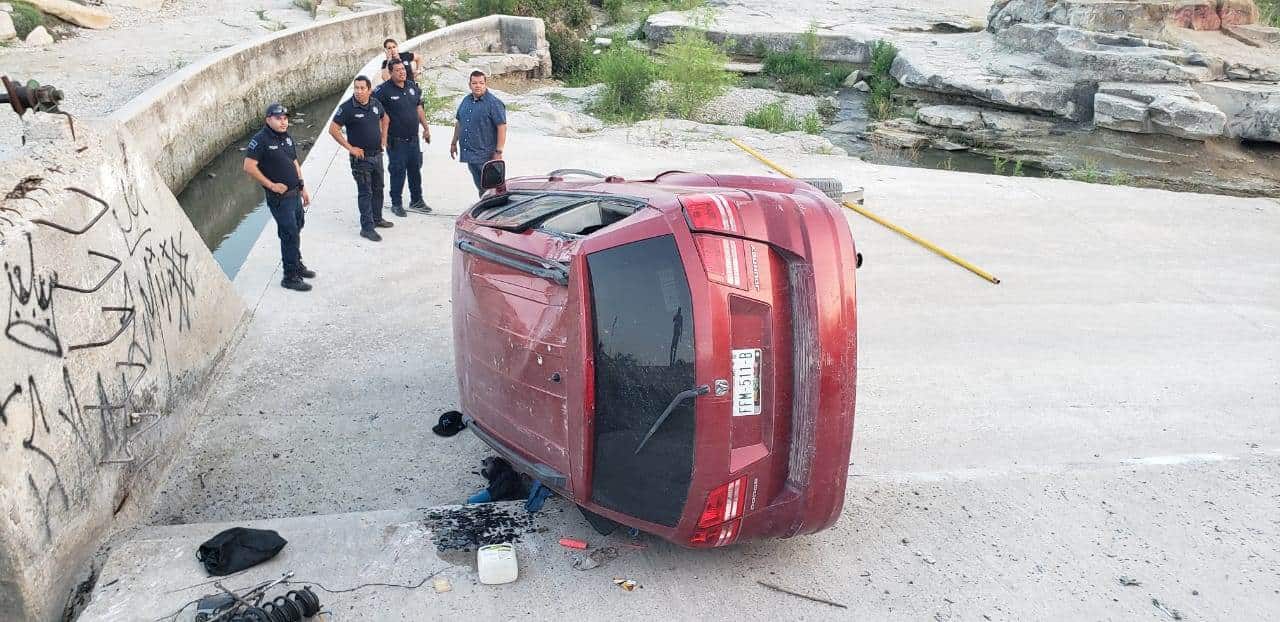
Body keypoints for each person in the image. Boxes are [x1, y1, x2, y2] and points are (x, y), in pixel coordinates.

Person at [243, 103, 314, 292]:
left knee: (297, 227)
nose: (283, 122)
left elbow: (294, 163)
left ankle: (297, 264)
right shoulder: (260, 140)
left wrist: (302, 187)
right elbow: (249, 166)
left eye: (285, 118)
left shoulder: (287, 138)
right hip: (279, 199)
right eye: (278, 118)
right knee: (289, 233)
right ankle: (290, 277)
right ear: (268, 120)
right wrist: (272, 185)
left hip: (294, 195)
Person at [329, 75, 392, 241]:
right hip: (361, 159)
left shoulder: (375, 103)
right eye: (356, 88)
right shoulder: (347, 108)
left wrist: (384, 138)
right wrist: (350, 148)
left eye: (362, 88)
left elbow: (385, 118)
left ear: (369, 89)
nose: (358, 91)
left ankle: (377, 218)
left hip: (377, 155)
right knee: (365, 192)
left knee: (379, 188)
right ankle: (367, 227)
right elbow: (333, 129)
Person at [374, 60, 432, 216]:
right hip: (396, 141)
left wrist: (426, 128)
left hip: (413, 139)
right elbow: (374, 112)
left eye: (403, 69)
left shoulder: (412, 86)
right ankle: (396, 203)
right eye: (398, 70)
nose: (402, 72)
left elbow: (418, 107)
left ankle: (417, 200)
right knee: (398, 172)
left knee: (415, 170)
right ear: (391, 73)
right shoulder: (382, 91)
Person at [450, 71, 507, 196]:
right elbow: (460, 122)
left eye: (481, 83)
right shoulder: (466, 100)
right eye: (474, 83)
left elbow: (502, 127)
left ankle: (496, 212)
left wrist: (498, 152)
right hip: (470, 154)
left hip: (486, 155)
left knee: (493, 189)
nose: (478, 86)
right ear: (469, 84)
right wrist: (454, 142)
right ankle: (485, 208)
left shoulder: (494, 103)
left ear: (485, 84)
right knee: (481, 187)